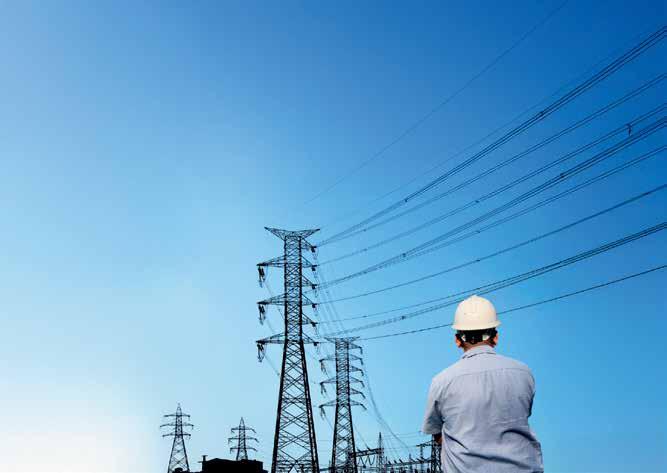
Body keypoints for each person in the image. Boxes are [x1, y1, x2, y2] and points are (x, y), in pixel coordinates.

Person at [421, 295, 543, 472]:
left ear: (457, 340)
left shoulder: (442, 381)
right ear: (495, 337)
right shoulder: (523, 373)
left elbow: (436, 433)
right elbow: (521, 415)